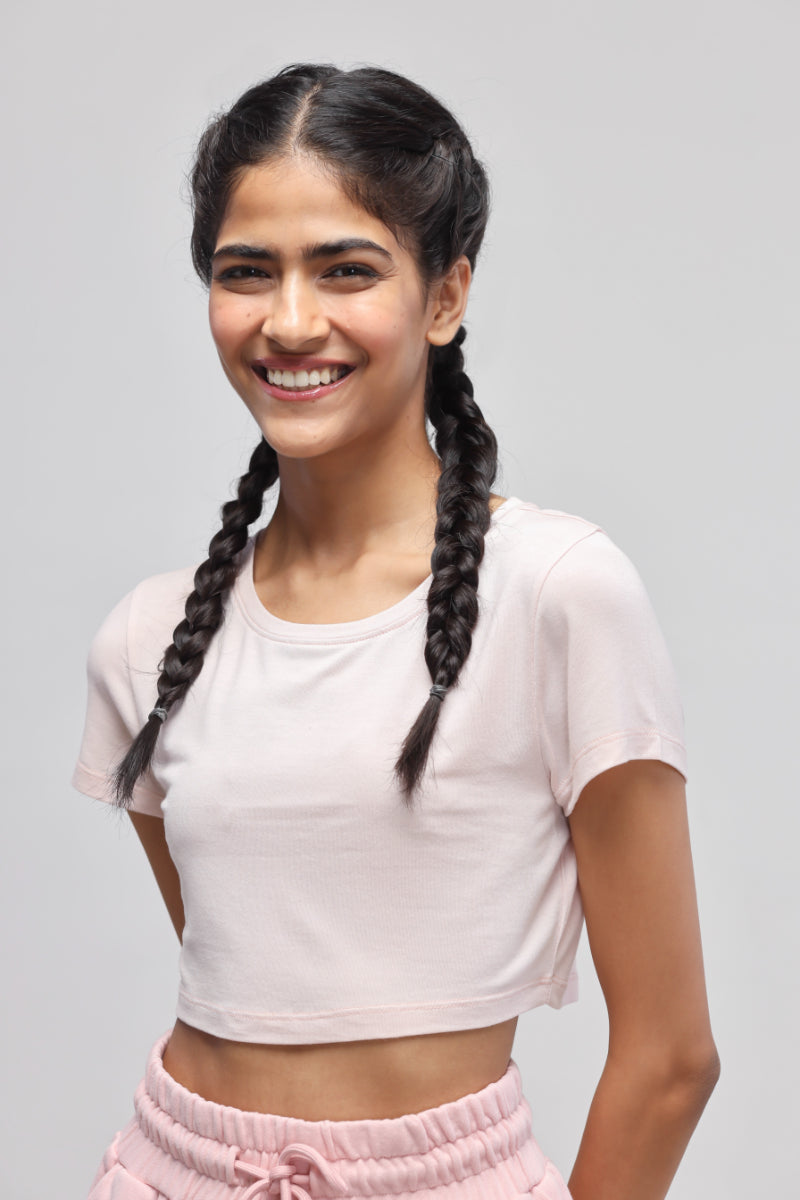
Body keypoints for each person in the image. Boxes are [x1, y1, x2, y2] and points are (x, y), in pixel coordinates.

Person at [72, 62, 719, 1200]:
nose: (287, 320)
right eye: (245, 272)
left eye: (345, 269)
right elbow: (256, 978)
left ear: (443, 295)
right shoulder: (149, 642)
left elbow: (670, 1059)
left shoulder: (558, 593)